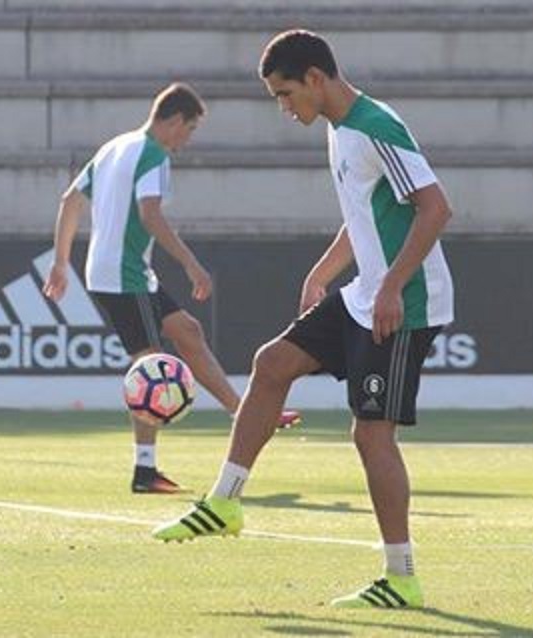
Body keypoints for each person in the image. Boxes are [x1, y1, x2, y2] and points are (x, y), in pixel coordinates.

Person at [152, 32, 455, 610]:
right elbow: (365, 213)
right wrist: (325, 270)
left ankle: (403, 576)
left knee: (371, 435)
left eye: (286, 93)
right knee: (272, 364)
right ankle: (225, 501)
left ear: (316, 77)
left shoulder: (374, 125)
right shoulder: (340, 130)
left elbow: (436, 206)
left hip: (406, 302)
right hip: (367, 292)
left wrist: (392, 285)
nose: (285, 107)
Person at [43, 82, 301, 495]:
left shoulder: (114, 147)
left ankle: (243, 412)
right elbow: (150, 216)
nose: (187, 140)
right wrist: (191, 263)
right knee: (150, 368)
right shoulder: (154, 155)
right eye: (190, 129)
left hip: (116, 272)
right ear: (175, 120)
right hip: (124, 275)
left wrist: (60, 260)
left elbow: (69, 200)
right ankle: (145, 471)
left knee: (188, 333)